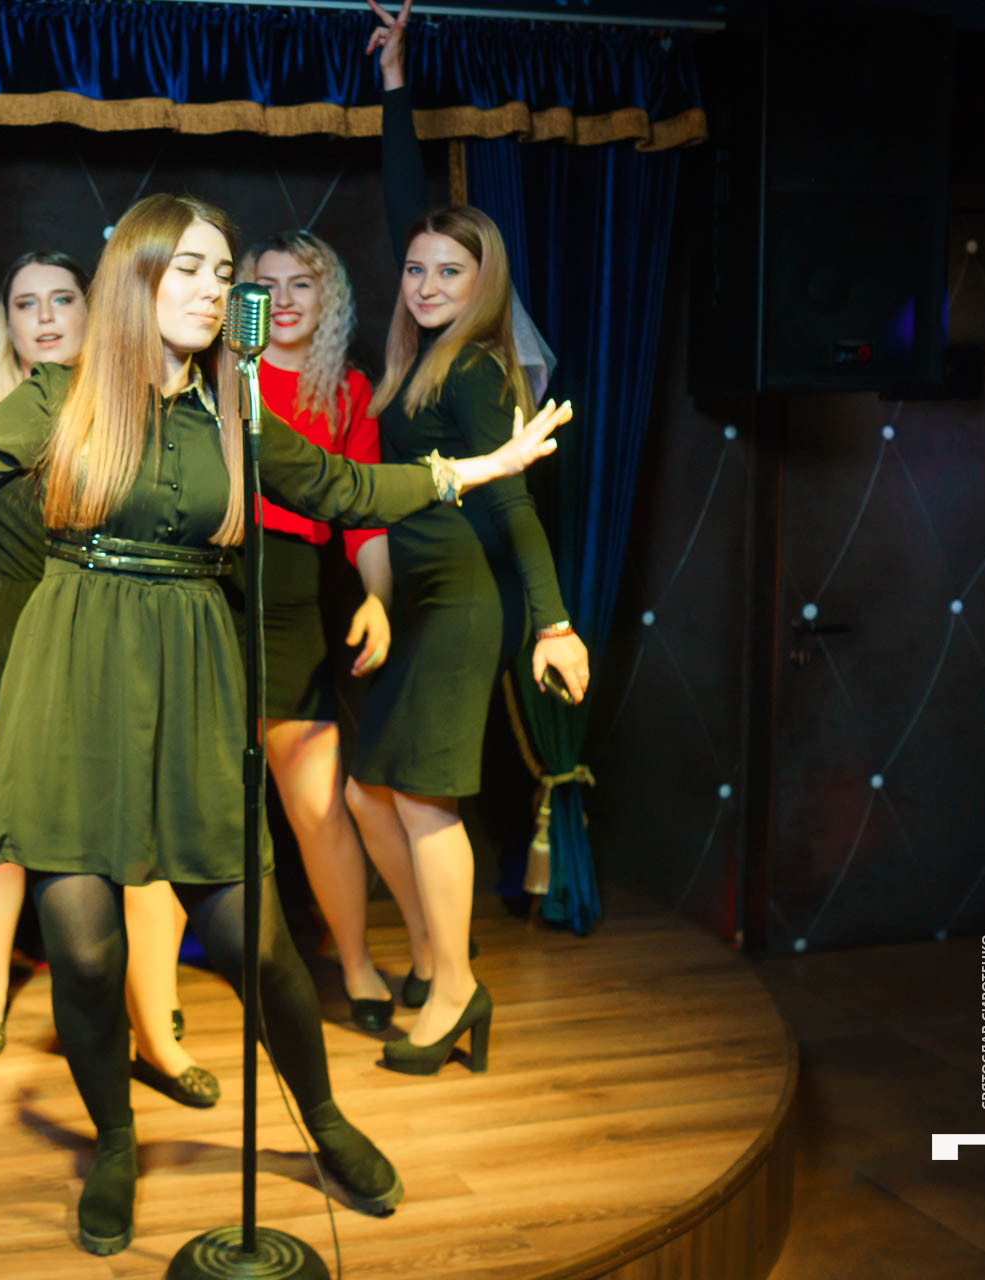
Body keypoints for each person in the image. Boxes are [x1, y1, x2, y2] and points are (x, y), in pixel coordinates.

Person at [0, 192, 570, 1253]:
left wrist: (476, 469)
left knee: (255, 940)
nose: (214, 290)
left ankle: (322, 1118)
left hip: (192, 675)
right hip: (73, 675)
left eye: (223, 273)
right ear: (137, 277)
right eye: (190, 269)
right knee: (83, 952)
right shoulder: (64, 395)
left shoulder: (237, 406)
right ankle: (115, 1142)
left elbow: (346, 486)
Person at [341, 0, 593, 1077]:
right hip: (421, 599)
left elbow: (516, 506)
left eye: (451, 271)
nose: (429, 283)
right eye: (417, 271)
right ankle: (442, 959)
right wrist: (397, 86)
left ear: (485, 283)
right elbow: (410, 210)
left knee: (421, 797)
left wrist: (556, 623)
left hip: (462, 606)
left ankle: (454, 988)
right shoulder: (421, 356)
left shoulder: (482, 370)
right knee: (370, 791)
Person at [0, 251, 218, 1109]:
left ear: (94, 312)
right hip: (4, 637)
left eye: (64, 299)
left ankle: (156, 1031)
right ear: (7, 321)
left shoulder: (127, 405)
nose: (47, 316)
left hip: (110, 646)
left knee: (140, 843)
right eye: (27, 303)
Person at [237, 227, 403, 1033]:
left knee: (315, 806)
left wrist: (379, 597)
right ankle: (161, 996)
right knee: (196, 807)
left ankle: (359, 965)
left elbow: (365, 513)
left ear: (327, 296)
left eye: (300, 283)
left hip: (295, 596)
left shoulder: (347, 391)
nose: (284, 300)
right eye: (266, 285)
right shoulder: (219, 375)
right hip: (212, 584)